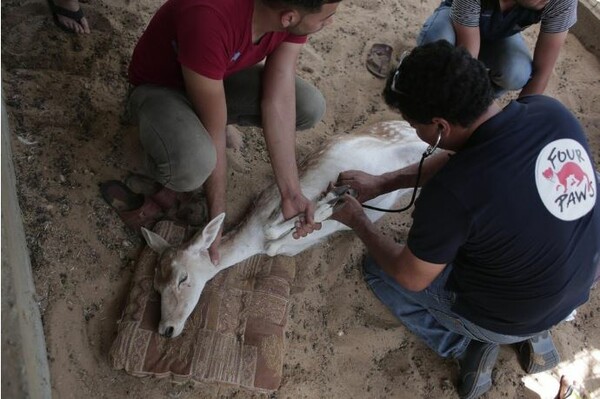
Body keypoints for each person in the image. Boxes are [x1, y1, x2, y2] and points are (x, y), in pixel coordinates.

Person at [331, 40, 599, 399]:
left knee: (379, 271)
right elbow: (470, 151)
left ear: (440, 125)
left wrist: (360, 222)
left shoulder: (452, 194)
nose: (415, 132)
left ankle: (463, 345)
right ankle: (536, 337)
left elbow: (410, 276)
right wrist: (383, 182)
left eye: (414, 125)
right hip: (576, 285)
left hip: (509, 315)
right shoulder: (548, 112)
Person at [123, 0, 341, 264]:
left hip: (218, 76)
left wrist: (292, 194)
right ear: (288, 18)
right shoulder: (209, 16)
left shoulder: (295, 9)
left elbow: (279, 99)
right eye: (326, 18)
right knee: (193, 164)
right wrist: (217, 219)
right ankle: (153, 150)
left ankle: (202, 115)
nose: (329, 22)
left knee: (308, 105)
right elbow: (214, 130)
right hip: (161, 86)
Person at [416, 0, 576, 97]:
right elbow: (467, 59)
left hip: (500, 34)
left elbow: (543, 71)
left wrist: (518, 124)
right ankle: (413, 71)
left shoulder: (562, 2)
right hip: (456, 23)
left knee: (518, 73)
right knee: (440, 50)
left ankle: (483, 99)